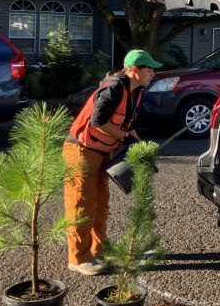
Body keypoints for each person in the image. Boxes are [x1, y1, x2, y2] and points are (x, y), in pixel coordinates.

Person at [63, 49, 162, 275]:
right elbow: (98, 122)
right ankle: (78, 258)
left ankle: (98, 250)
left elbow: (127, 125)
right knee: (82, 204)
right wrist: (124, 137)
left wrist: (139, 145)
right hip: (81, 150)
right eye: (149, 69)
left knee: (101, 203)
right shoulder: (114, 88)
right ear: (134, 70)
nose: (153, 74)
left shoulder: (136, 92)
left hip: (101, 151)